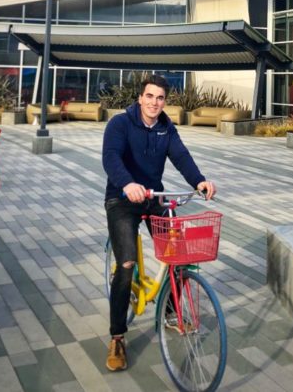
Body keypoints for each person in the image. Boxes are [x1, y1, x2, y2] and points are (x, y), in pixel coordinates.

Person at [102, 74, 216, 372]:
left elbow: (181, 156)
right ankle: (117, 336)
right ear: (140, 98)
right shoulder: (120, 124)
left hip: (154, 196)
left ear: (165, 101)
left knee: (178, 253)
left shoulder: (166, 127)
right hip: (121, 198)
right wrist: (127, 184)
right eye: (149, 96)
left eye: (160, 98)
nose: (154, 103)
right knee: (126, 264)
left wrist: (199, 181)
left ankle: (170, 310)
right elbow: (111, 157)